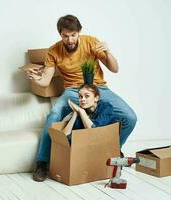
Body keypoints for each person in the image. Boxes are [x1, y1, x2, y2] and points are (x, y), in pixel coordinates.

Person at [25, 14, 137, 182]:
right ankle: (42, 162)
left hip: (98, 88)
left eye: (73, 35)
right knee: (54, 114)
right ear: (60, 35)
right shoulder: (54, 51)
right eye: (65, 35)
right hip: (73, 90)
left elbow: (114, 68)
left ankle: (112, 151)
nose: (69, 39)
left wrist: (107, 52)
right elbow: (46, 80)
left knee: (130, 117)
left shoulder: (91, 42)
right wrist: (36, 78)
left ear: (79, 32)